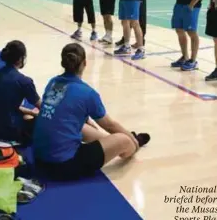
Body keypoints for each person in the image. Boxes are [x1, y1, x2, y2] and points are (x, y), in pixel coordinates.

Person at [33, 43, 150, 181]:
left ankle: (112, 142)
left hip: (39, 158)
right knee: (123, 140)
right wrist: (130, 138)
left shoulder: (53, 82)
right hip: (64, 165)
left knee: (80, 126)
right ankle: (134, 143)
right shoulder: (87, 93)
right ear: (84, 63)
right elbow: (109, 125)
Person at [0, 40, 41, 145]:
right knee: (37, 120)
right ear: (20, 59)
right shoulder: (24, 81)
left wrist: (31, 112)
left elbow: (3, 104)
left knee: (27, 114)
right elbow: (44, 108)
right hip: (9, 134)